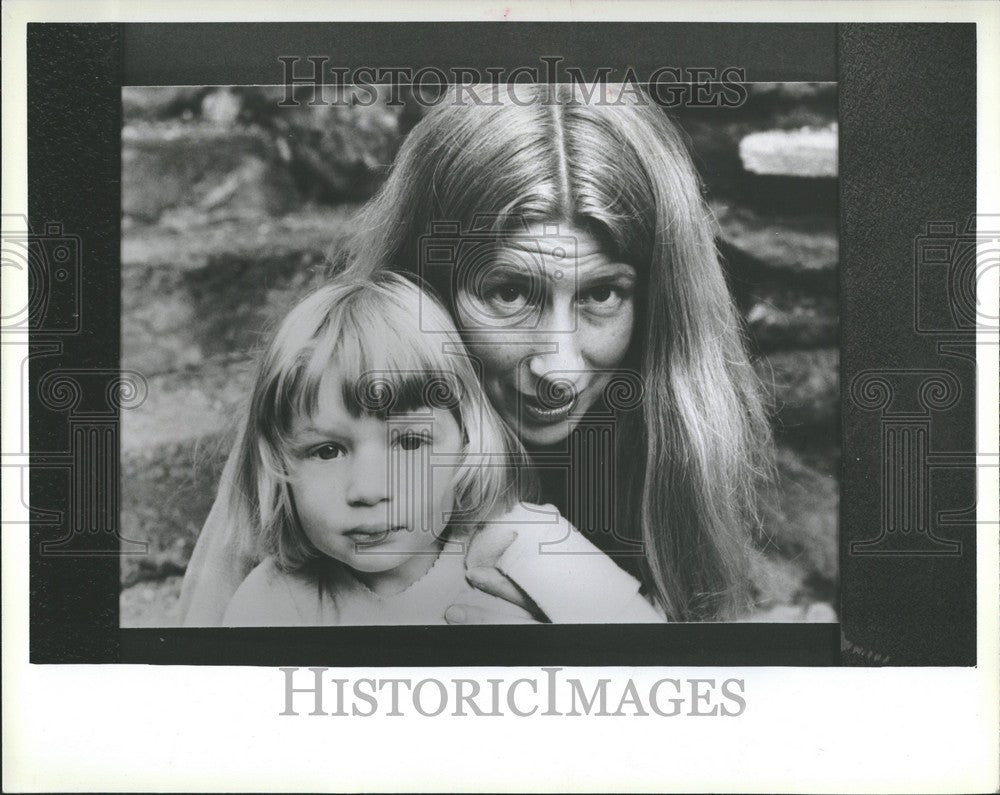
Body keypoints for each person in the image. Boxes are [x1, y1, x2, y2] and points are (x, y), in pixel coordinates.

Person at [179, 82, 772, 625]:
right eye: (509, 292)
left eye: (600, 293)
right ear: (422, 284)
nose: (558, 369)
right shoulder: (323, 418)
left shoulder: (668, 430)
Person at [219, 273, 664, 625]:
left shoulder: (527, 544)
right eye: (327, 451)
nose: (368, 490)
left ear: (467, 441)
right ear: (278, 462)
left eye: (411, 442)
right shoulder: (276, 601)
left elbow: (657, 667)